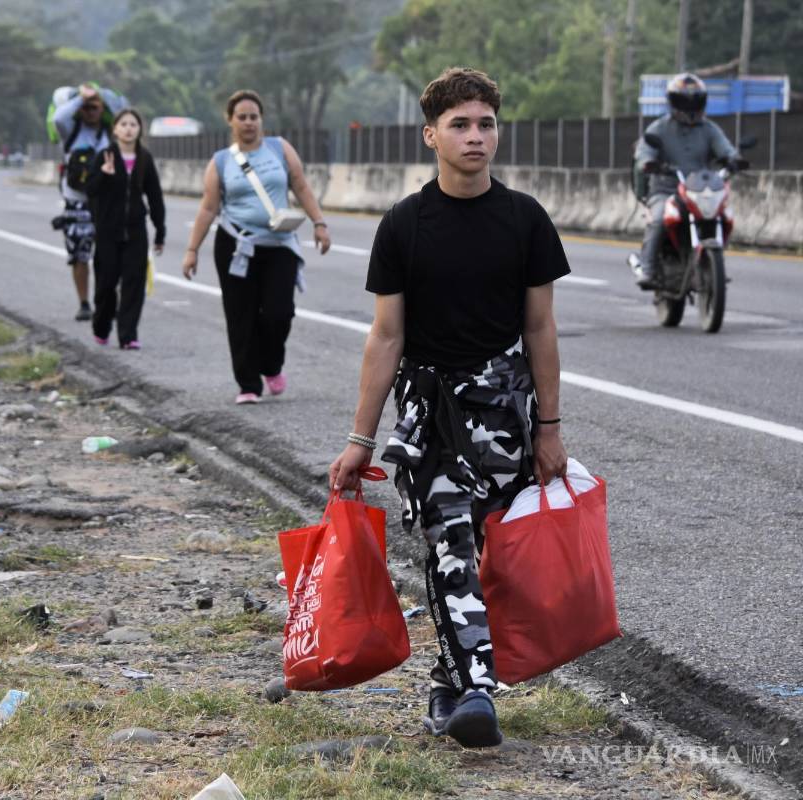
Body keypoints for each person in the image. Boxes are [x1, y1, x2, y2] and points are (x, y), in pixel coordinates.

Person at [327, 68, 571, 748]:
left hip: (504, 419)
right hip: (431, 417)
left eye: (485, 123)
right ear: (431, 134)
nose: (475, 136)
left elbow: (541, 331)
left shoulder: (526, 220)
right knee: (452, 547)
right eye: (460, 125)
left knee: (492, 556)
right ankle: (479, 698)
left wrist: (549, 428)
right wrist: (360, 440)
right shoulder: (405, 225)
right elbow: (386, 336)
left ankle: (447, 683)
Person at [181, 89, 330, 405]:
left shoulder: (280, 149)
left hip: (279, 245)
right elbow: (208, 208)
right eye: (242, 117)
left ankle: (271, 365)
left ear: (261, 120)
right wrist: (192, 249)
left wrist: (319, 223)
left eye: (254, 117)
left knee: (280, 312)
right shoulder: (220, 162)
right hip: (236, 246)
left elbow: (301, 186)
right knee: (240, 315)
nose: (249, 123)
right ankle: (248, 384)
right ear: (231, 121)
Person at [633, 73, 737, 289]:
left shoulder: (709, 129)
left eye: (695, 100)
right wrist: (648, 162)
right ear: (673, 101)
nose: (689, 106)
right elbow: (644, 150)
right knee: (660, 218)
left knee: (723, 216)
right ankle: (648, 267)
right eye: (684, 100)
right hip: (666, 189)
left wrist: (734, 160)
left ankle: (712, 263)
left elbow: (726, 149)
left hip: (698, 190)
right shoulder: (659, 128)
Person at [84, 108, 166, 350]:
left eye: (133, 124)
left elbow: (155, 196)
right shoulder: (104, 156)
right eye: (124, 124)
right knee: (106, 285)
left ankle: (128, 335)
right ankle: (101, 326)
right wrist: (104, 175)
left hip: (136, 231)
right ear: (115, 129)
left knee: (134, 284)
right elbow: (90, 190)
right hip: (108, 230)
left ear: (139, 129)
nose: (129, 128)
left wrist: (160, 230)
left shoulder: (144, 158)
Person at [53, 84, 119, 321]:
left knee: (110, 255)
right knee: (79, 255)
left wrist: (100, 92)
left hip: (104, 202)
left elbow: (124, 110)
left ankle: (108, 301)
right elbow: (59, 117)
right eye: (86, 108)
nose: (91, 111)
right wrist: (81, 98)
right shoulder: (70, 130)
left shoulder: (111, 133)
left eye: (95, 107)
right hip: (76, 202)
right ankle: (84, 303)